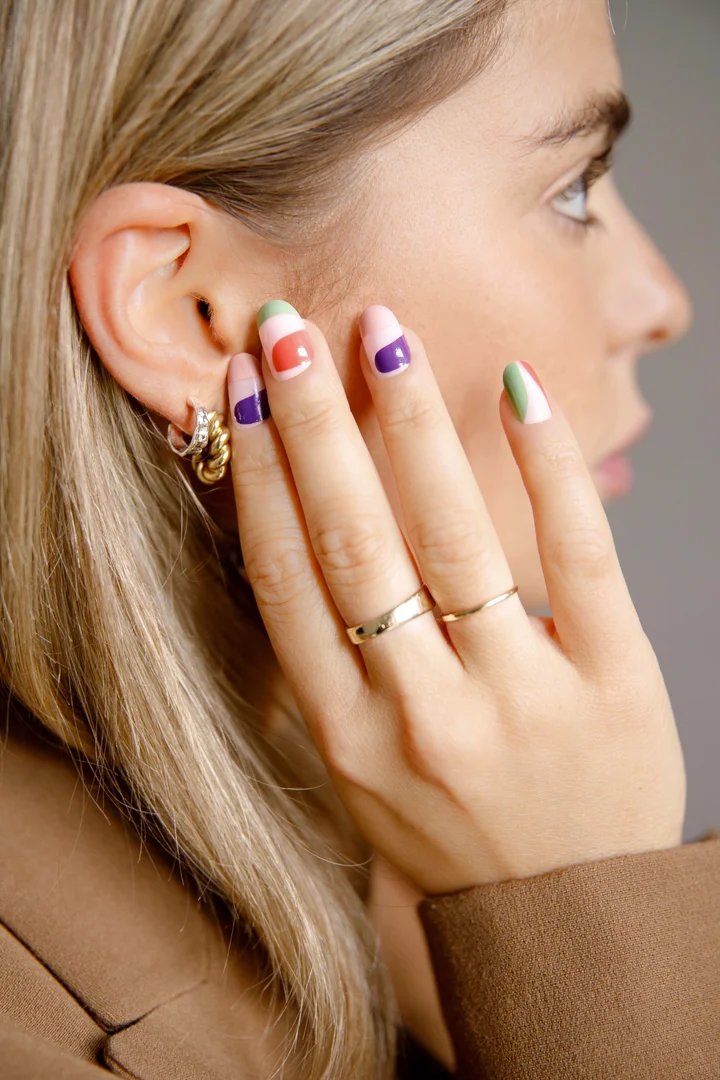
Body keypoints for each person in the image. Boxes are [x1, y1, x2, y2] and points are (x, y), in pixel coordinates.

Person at [0, 0, 718, 1077]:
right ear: (189, 311)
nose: (662, 303)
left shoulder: (421, 807)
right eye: (571, 189)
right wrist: (586, 912)